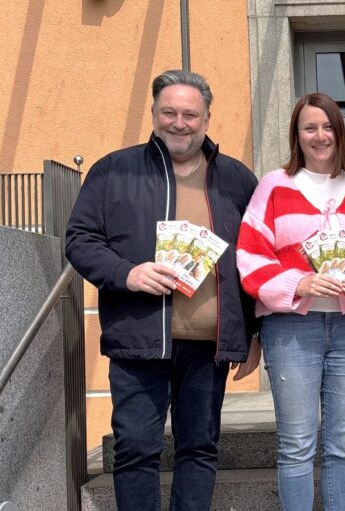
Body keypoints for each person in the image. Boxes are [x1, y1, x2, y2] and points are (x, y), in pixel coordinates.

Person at [65, 69, 260, 511]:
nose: (179, 122)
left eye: (190, 114)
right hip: (138, 340)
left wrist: (252, 333)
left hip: (209, 347)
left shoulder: (235, 178)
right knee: (136, 450)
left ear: (207, 118)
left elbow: (256, 258)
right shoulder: (115, 170)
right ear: (153, 113)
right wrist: (126, 273)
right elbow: (79, 238)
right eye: (168, 112)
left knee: (199, 449)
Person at [236, 92, 345, 511]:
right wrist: (297, 285)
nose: (319, 136)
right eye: (309, 127)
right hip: (290, 330)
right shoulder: (275, 186)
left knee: (343, 444)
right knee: (297, 444)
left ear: (338, 132)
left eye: (326, 126)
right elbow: (249, 255)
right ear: (296, 135)